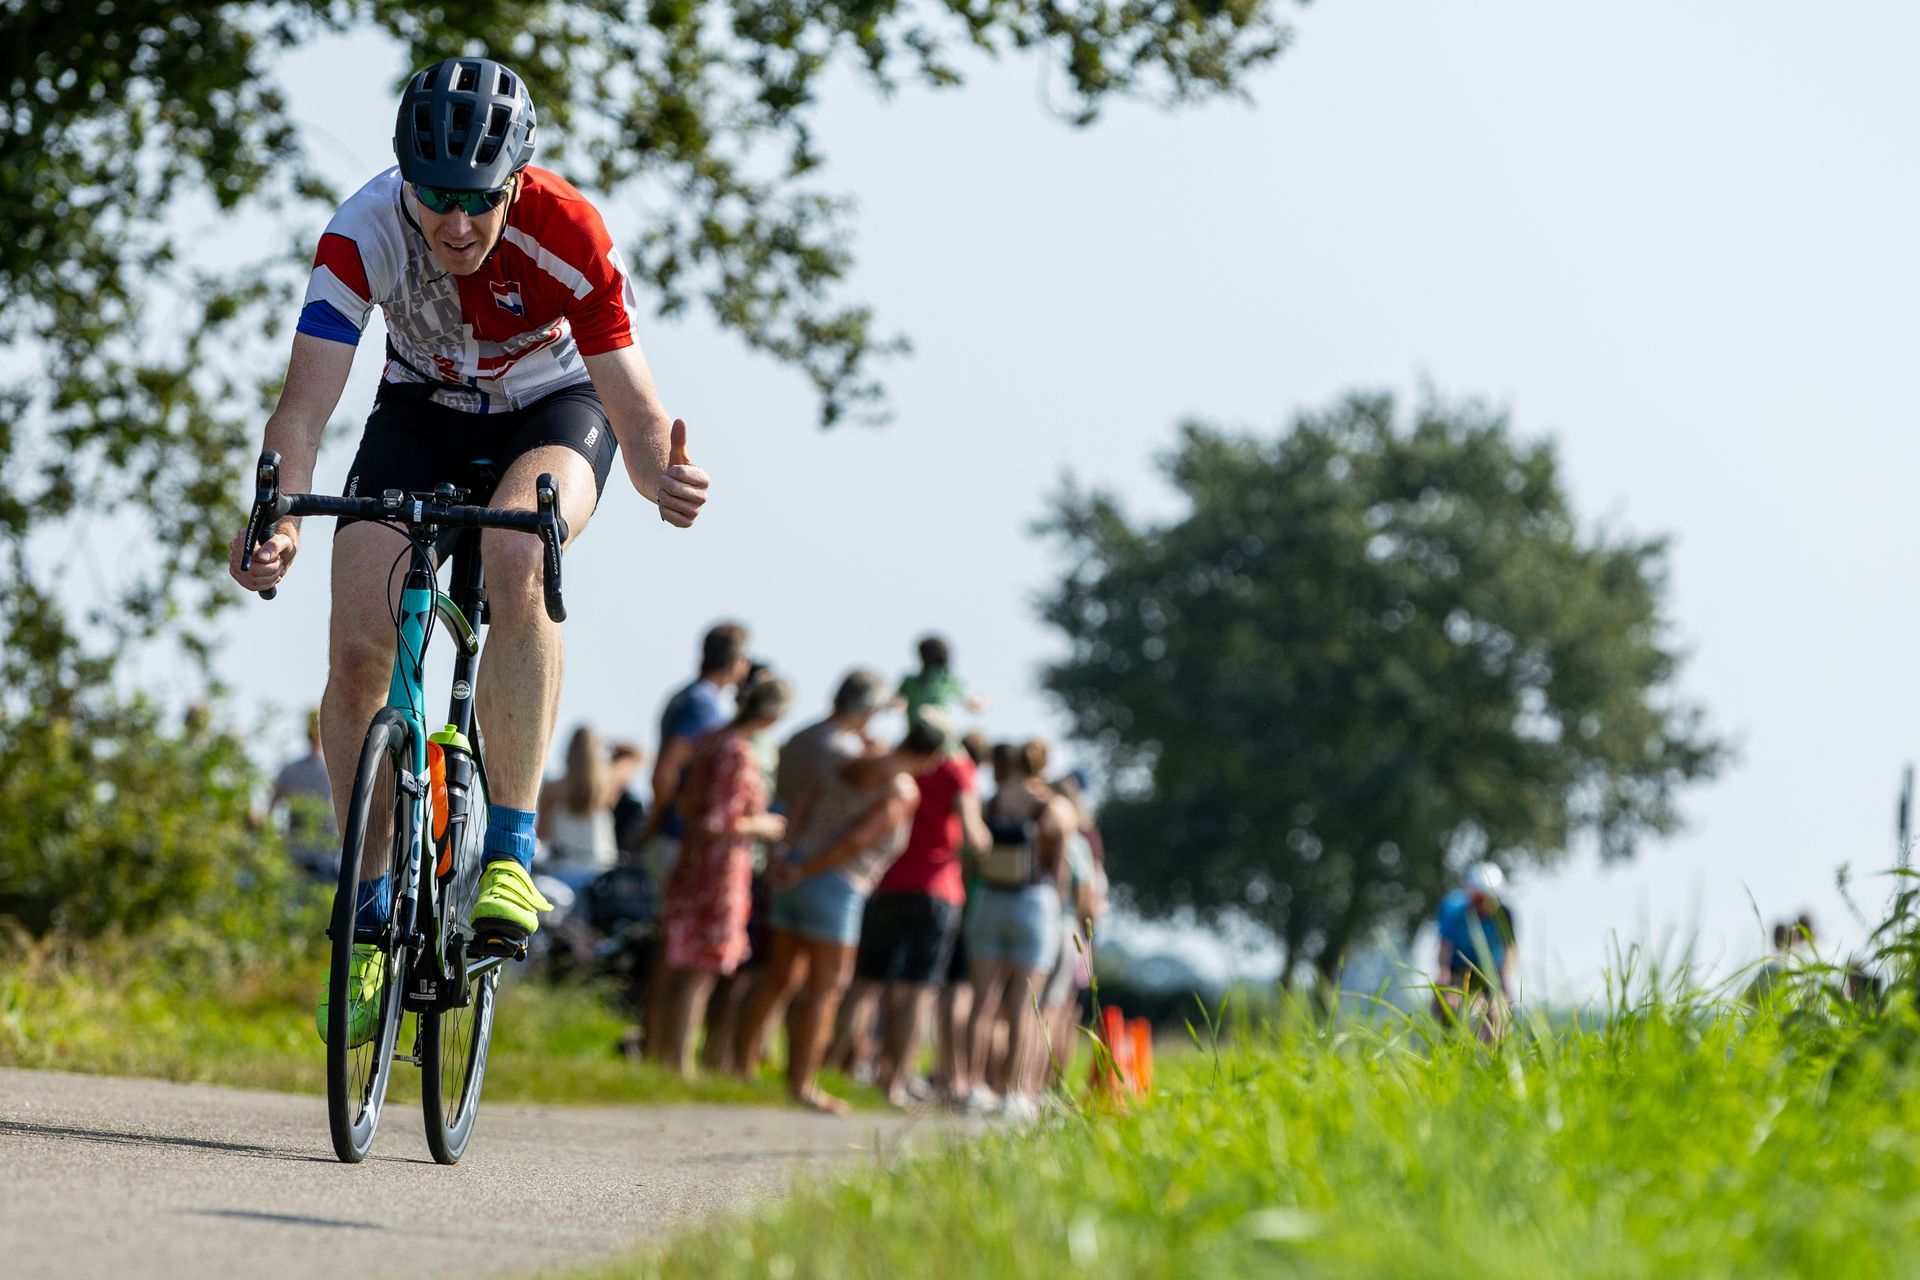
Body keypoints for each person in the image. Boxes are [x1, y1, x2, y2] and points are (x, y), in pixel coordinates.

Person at [228, 56, 710, 1048]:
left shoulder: (567, 229)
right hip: (419, 415)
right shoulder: (361, 232)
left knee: (517, 553)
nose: (454, 224)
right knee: (359, 651)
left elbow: (631, 402)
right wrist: (275, 513)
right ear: (404, 177)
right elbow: (305, 407)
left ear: (516, 183)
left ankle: (514, 852)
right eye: (433, 197)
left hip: (555, 410)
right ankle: (362, 916)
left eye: (477, 202)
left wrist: (665, 474)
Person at [734, 711, 951, 1113]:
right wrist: (808, 868)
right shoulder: (901, 789)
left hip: (793, 875)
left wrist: (789, 857)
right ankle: (802, 1086)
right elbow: (857, 840)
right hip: (836, 886)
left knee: (778, 979)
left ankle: (740, 1070)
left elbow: (805, 805)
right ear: (935, 755)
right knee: (827, 990)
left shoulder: (853, 761)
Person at [650, 674, 792, 1077]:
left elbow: (690, 805)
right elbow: (720, 820)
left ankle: (664, 1055)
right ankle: (680, 1062)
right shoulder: (738, 752)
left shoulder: (712, 739)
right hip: (720, 868)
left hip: (693, 859)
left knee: (682, 961)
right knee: (701, 965)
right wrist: (765, 826)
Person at [847, 723, 992, 1106]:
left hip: (888, 880)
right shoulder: (956, 769)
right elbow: (975, 834)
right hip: (938, 889)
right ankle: (896, 1081)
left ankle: (838, 1069)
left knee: (866, 983)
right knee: (919, 990)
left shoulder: (898, 763)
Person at [637, 623, 751, 1049]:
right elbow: (667, 770)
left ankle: (656, 1042)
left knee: (672, 943)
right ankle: (656, 1043)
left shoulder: (690, 697)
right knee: (674, 946)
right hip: (678, 835)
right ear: (735, 660)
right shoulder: (702, 705)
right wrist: (670, 814)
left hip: (674, 831)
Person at [965, 739, 1076, 1120]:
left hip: (990, 898)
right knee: (1026, 1005)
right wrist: (1059, 907)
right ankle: (1016, 1093)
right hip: (1034, 900)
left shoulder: (991, 800)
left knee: (982, 1001)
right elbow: (1060, 865)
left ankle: (974, 1086)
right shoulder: (1053, 806)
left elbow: (975, 851)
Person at [535, 726, 645, 895]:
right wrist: (608, 744)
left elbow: (543, 835)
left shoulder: (551, 789)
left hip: (560, 875)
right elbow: (637, 755)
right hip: (600, 877)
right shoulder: (607, 786)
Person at [1433, 863, 1518, 1039]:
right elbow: (1445, 945)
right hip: (1459, 971)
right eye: (1479, 898)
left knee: (1497, 1014)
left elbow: (1510, 950)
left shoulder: (1504, 914)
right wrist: (1443, 972)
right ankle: (1450, 1049)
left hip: (1491, 974)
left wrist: (1504, 982)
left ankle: (1494, 1058)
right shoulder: (1453, 910)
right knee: (1450, 1005)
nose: (1483, 905)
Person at [271, 708, 339, 881]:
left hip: (294, 858)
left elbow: (271, 809)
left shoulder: (290, 770)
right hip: (326, 858)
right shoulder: (337, 771)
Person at [897, 635, 986, 722]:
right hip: (942, 728)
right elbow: (973, 703)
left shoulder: (909, 682)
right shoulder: (948, 681)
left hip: (919, 728)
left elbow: (896, 703)